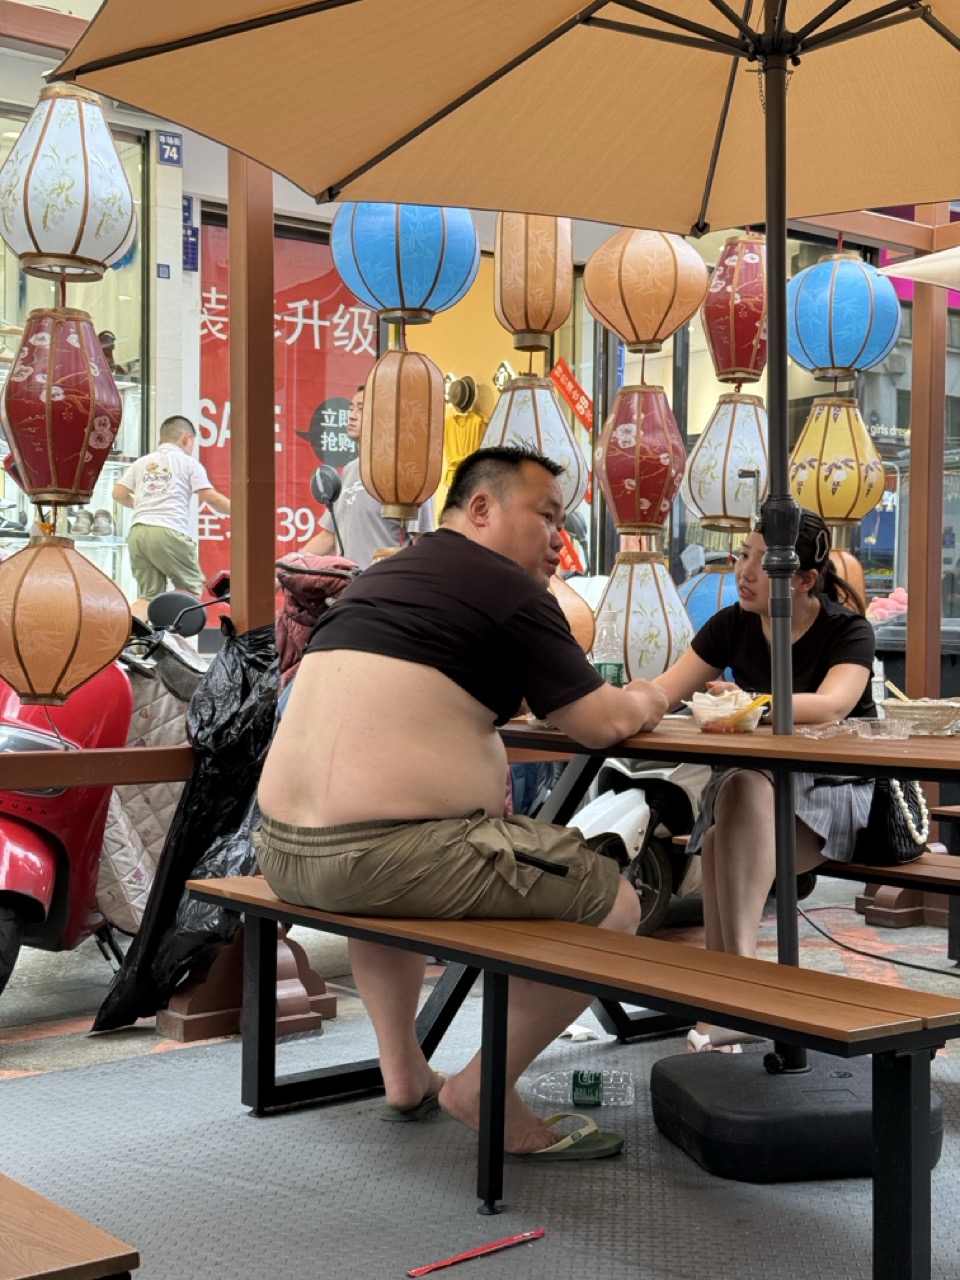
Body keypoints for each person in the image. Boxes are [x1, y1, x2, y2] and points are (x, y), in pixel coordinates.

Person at [256, 446, 669, 1159]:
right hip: (380, 855)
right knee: (613, 903)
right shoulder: (506, 588)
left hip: (285, 850)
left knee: (390, 891)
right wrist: (651, 695)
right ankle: (482, 1089)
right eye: (546, 516)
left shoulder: (385, 576)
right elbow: (601, 724)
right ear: (481, 508)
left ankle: (405, 1074)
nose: (558, 539)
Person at [653, 510, 876, 1052]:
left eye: (763, 563)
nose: (744, 572)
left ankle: (734, 996)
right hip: (756, 789)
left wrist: (752, 704)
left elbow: (833, 704)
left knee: (732, 809)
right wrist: (606, 702)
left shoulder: (847, 630)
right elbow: (665, 690)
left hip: (836, 790)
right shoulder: (731, 624)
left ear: (805, 580)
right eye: (743, 556)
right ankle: (741, 995)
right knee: (735, 798)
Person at [301, 386, 435, 568]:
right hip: (348, 584)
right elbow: (329, 536)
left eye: (361, 409)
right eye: (351, 409)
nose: (352, 416)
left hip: (386, 584)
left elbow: (423, 543)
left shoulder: (409, 472)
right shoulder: (349, 470)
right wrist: (287, 568)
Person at [112, 415, 230, 600]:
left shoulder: (141, 463)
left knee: (148, 596)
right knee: (190, 590)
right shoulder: (189, 463)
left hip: (138, 533)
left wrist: (145, 503)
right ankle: (183, 621)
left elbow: (118, 494)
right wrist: (241, 512)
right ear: (186, 438)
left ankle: (136, 620)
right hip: (170, 530)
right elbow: (212, 498)